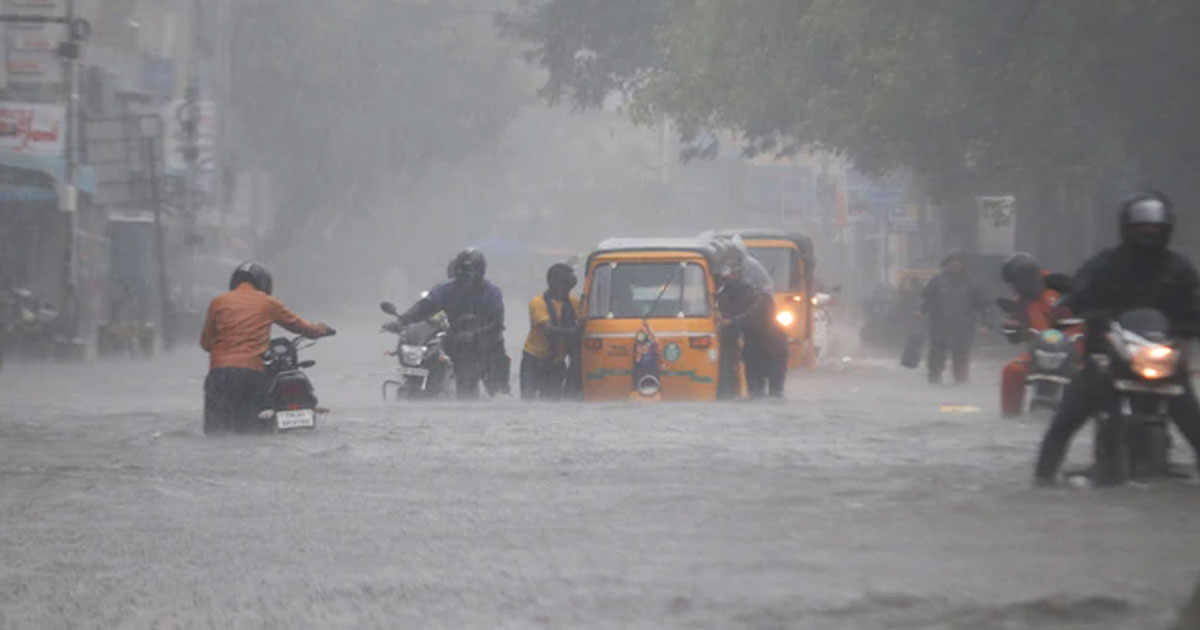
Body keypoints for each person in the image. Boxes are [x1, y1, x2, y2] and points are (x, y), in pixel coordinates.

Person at [1034, 190, 1200, 485]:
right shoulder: (1105, 264)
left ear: (1167, 229)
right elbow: (1079, 291)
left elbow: (1193, 304)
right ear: (1127, 228)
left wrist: (1189, 326)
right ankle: (1043, 477)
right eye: (1142, 227)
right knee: (1066, 417)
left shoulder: (1180, 269)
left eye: (1155, 228)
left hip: (1161, 358)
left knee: (1190, 416)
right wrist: (1072, 304)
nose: (1149, 233)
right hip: (1108, 355)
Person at [199, 261, 335, 435]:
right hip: (251, 374)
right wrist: (321, 329)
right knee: (251, 433)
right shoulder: (268, 303)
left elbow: (205, 343)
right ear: (264, 282)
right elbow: (300, 326)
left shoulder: (217, 303)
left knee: (216, 433)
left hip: (219, 375)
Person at [393, 248, 511, 399]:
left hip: (487, 345)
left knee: (499, 392)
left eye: (468, 271)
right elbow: (424, 307)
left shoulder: (492, 293)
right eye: (460, 271)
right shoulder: (445, 290)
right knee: (436, 360)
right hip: (455, 343)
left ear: (480, 272)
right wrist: (401, 321)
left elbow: (496, 323)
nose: (464, 276)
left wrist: (474, 334)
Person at [998, 252, 1076, 416]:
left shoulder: (1060, 287)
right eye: (1013, 284)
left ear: (1027, 277)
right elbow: (1016, 327)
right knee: (1011, 371)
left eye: (1016, 283)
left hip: (1074, 351)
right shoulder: (1021, 300)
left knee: (1096, 374)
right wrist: (1012, 330)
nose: (1015, 288)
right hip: (1039, 353)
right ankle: (1010, 416)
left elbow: (1081, 318)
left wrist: (1074, 336)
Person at [715, 250, 787, 398]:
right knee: (755, 392)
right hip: (754, 350)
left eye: (736, 273)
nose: (733, 277)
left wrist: (731, 322)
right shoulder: (737, 292)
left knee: (773, 392)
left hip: (772, 351)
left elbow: (753, 316)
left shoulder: (762, 298)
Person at [921, 250, 989, 384]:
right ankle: (934, 380)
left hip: (964, 326)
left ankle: (961, 381)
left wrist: (985, 324)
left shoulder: (972, 283)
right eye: (951, 262)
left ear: (963, 264)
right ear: (946, 264)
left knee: (961, 356)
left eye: (957, 262)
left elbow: (983, 305)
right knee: (936, 356)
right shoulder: (937, 282)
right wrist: (921, 311)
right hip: (940, 325)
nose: (954, 265)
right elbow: (926, 299)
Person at [520, 263, 582, 400]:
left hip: (557, 361)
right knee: (527, 400)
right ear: (552, 282)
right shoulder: (537, 303)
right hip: (534, 359)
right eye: (564, 284)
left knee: (553, 401)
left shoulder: (574, 303)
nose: (566, 289)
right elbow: (549, 330)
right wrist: (573, 332)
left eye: (569, 285)